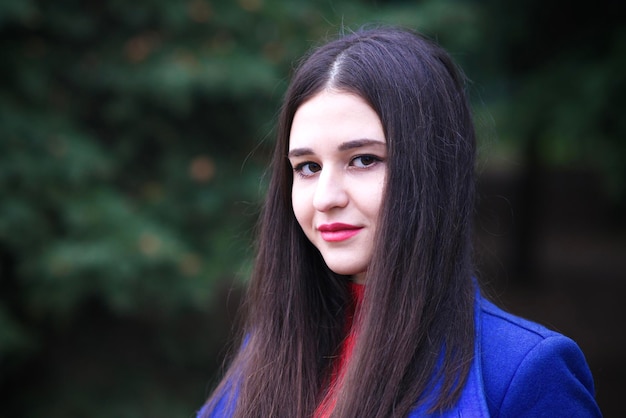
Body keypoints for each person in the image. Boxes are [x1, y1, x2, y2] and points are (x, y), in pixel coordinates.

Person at [198, 26, 601, 417]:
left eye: (363, 160)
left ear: (433, 170)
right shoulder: (269, 352)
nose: (326, 197)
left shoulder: (521, 371)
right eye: (307, 167)